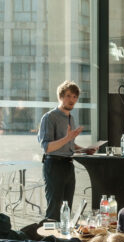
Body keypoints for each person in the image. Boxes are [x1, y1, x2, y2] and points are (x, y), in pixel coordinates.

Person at [37, 80, 94, 220]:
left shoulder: (70, 118)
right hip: (54, 165)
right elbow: (48, 147)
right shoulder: (49, 117)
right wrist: (68, 138)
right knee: (54, 209)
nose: (72, 100)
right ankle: (49, 240)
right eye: (68, 96)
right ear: (61, 97)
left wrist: (85, 150)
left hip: (68, 165)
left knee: (66, 208)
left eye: (75, 97)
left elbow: (69, 145)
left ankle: (63, 241)